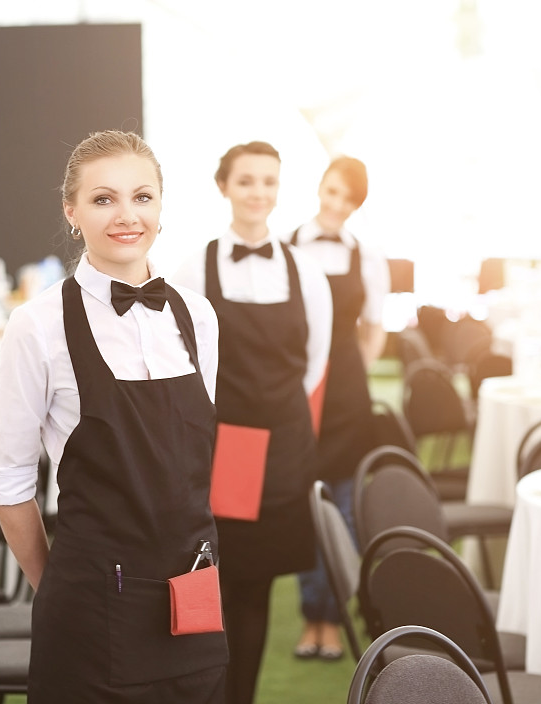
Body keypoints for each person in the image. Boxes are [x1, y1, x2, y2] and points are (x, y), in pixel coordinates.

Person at [0, 130, 229, 702]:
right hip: (88, 615)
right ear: (72, 212)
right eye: (103, 199)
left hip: (193, 597)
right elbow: (8, 482)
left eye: (142, 197)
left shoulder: (199, 317)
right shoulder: (37, 325)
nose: (126, 215)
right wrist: (62, 586)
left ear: (161, 208)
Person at [173, 141, 332, 704]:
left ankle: (242, 697)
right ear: (224, 187)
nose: (258, 192)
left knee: (259, 584)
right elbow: (182, 360)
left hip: (284, 442)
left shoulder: (307, 271)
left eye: (268, 181)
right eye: (246, 181)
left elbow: (315, 363)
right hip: (228, 444)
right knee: (222, 579)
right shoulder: (195, 266)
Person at [287, 156, 390, 661]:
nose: (336, 205)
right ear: (320, 189)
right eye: (332, 192)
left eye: (347, 199)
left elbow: (375, 324)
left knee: (346, 506)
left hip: (348, 390)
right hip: (301, 388)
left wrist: (357, 370)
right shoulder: (286, 247)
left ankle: (335, 617)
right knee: (308, 502)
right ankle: (311, 617)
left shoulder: (366, 255)